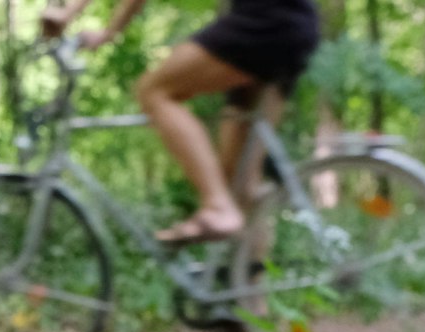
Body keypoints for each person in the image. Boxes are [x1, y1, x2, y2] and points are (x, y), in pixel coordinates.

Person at [40, 0, 320, 246]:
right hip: (295, 29)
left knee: (154, 91)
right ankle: (252, 299)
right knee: (242, 181)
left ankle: (217, 206)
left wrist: (77, 16)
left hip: (266, 21)